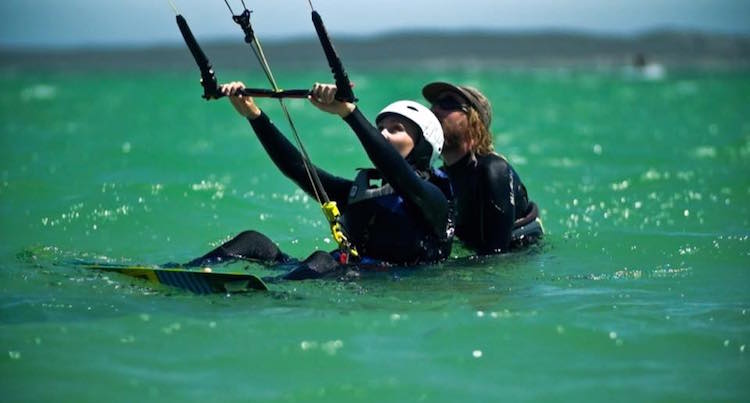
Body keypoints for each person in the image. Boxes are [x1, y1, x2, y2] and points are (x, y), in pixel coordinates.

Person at [184, 82, 454, 280]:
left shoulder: (434, 200)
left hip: (379, 284)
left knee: (322, 259)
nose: (382, 134)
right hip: (329, 272)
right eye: (380, 128)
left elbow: (400, 175)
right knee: (252, 241)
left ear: (422, 147)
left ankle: (271, 292)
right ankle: (185, 272)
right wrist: (254, 115)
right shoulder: (360, 193)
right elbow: (299, 169)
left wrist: (349, 113)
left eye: (396, 130)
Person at [422, 82, 543, 254]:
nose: (434, 110)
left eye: (448, 103)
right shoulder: (440, 178)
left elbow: (496, 257)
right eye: (433, 104)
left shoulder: (493, 170)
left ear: (474, 121)